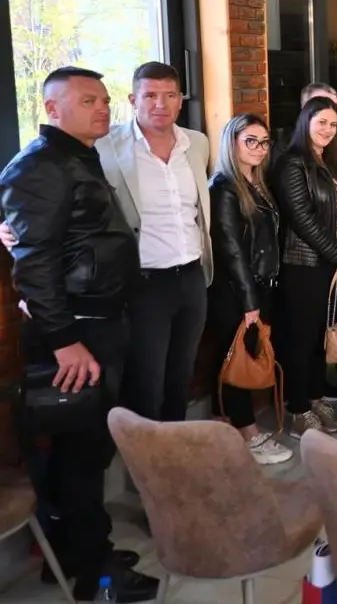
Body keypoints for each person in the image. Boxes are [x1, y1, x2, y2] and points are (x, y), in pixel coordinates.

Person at [0, 66, 158, 602]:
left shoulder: (78, 156)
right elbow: (34, 261)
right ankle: (93, 573)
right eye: (88, 100)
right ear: (51, 108)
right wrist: (64, 340)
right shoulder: (40, 165)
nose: (103, 108)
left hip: (100, 321)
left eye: (104, 99)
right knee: (79, 455)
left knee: (88, 450)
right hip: (77, 334)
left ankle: (83, 552)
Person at [94, 61, 212, 423]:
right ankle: (142, 456)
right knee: (146, 381)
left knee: (182, 375)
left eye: (170, 95)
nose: (160, 104)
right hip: (144, 283)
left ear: (180, 100)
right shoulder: (105, 146)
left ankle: (172, 450)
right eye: (150, 95)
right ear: (133, 100)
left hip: (192, 277)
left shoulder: (197, 143)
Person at [272, 96, 337, 438]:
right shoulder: (291, 163)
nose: (327, 129)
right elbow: (303, 220)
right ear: (305, 122)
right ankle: (298, 410)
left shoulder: (332, 160)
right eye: (320, 122)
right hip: (304, 265)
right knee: (301, 339)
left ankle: (314, 398)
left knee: (319, 338)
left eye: (332, 124)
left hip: (336, 266)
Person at [207, 114, 292, 465]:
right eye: (250, 141)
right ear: (232, 143)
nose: (259, 148)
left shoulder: (257, 183)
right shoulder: (224, 188)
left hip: (260, 285)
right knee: (236, 361)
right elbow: (231, 250)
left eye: (264, 142)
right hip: (236, 291)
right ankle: (248, 435)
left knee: (243, 355)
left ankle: (231, 429)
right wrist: (248, 302)